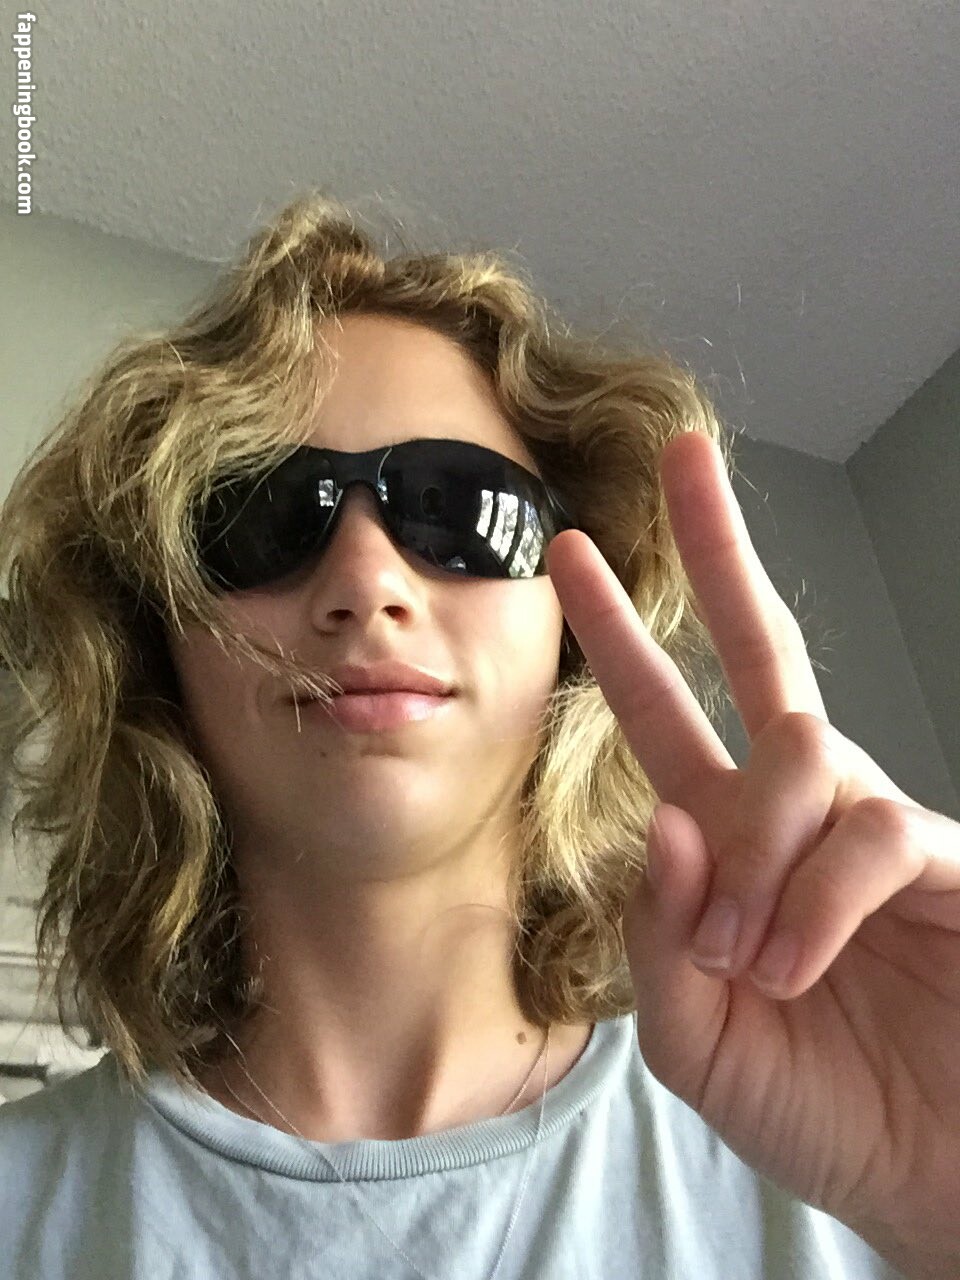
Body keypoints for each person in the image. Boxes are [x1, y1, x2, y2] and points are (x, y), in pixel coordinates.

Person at [0, 189, 953, 1280]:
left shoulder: (848, 1172)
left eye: (457, 508)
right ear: (154, 640)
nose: (367, 582)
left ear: (573, 623)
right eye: (261, 513)